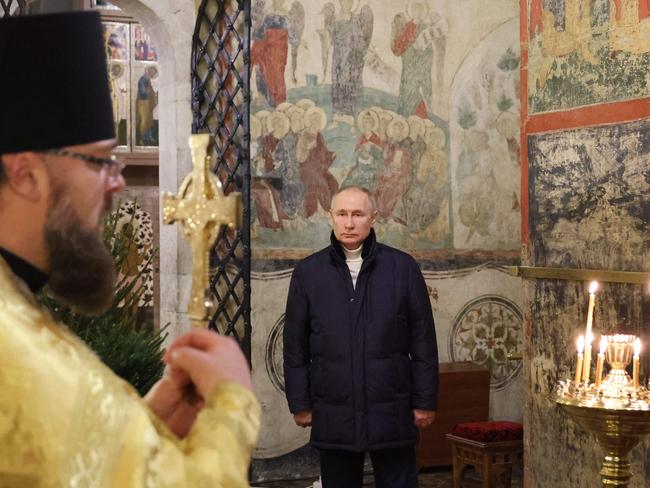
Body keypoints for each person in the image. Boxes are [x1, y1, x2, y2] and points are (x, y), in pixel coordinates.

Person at [0, 11, 260, 487]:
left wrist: (145, 426)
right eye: (101, 160)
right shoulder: (16, 347)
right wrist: (232, 402)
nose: (117, 182)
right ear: (25, 173)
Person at [283, 186, 438, 488]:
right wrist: (300, 401)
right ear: (331, 217)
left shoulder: (403, 268)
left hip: (391, 408)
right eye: (342, 214)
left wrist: (425, 400)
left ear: (373, 217)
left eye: (358, 214)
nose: (349, 223)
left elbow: (423, 342)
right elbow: (295, 346)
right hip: (334, 409)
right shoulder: (308, 272)